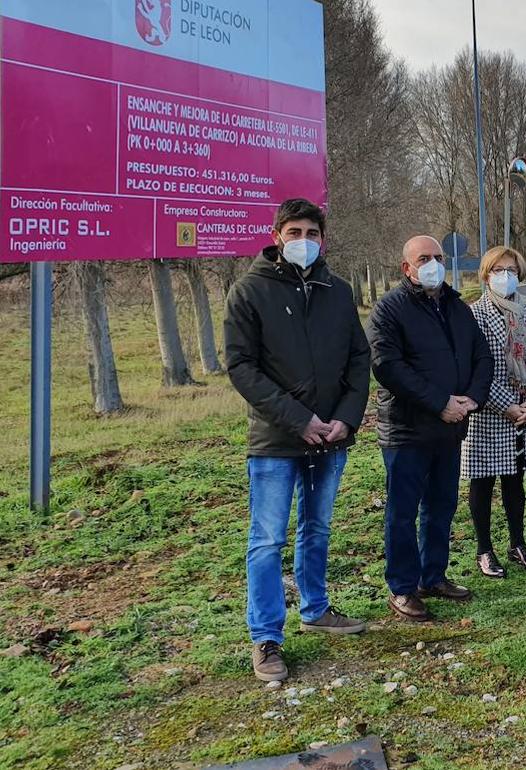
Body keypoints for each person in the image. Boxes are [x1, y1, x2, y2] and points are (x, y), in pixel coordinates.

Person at [223, 198, 371, 682]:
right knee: (266, 540)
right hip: (276, 439)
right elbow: (241, 366)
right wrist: (298, 418)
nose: (302, 241)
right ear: (276, 235)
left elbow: (357, 359)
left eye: (311, 232)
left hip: (331, 437)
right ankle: (266, 638)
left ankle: (317, 607)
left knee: (318, 528)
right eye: (293, 232)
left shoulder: (337, 290)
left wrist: (346, 419)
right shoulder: (249, 291)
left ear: (322, 237)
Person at [367, 235, 492, 620]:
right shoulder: (389, 309)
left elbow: (481, 355)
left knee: (441, 505)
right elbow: (388, 366)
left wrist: (470, 398)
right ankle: (403, 588)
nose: (433, 264)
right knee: (402, 513)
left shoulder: (457, 307)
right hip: (407, 430)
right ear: (407, 267)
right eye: (424, 258)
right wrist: (439, 403)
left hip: (450, 428)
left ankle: (433, 575)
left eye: (438, 257)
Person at [462, 246, 526, 577]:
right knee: (483, 482)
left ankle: (518, 543)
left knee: (515, 481)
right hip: (491, 413)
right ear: (486, 275)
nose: (506, 276)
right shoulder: (474, 315)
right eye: (498, 270)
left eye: (511, 270)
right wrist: (508, 405)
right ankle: (484, 549)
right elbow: (475, 369)